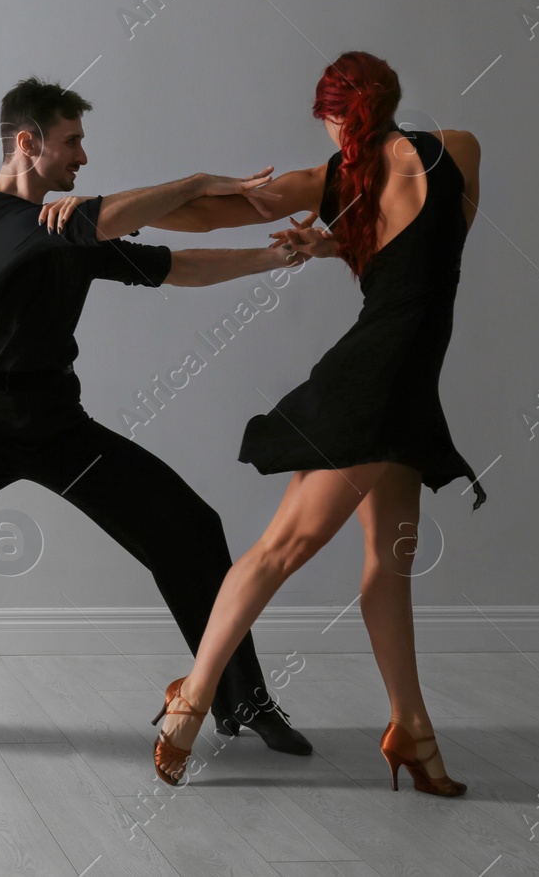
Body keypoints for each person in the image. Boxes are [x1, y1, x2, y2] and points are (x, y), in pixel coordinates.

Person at [0, 76, 316, 756]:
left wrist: (271, 256)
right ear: (29, 141)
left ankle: (241, 699)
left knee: (191, 528)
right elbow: (97, 217)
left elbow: (172, 265)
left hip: (57, 421)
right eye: (72, 141)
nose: (83, 156)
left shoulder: (67, 229)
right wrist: (198, 179)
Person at [124, 50, 485, 795]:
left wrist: (164, 197)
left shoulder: (330, 183)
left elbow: (201, 214)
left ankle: (406, 730)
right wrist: (335, 241)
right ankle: (195, 700)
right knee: (341, 559)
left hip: (382, 392)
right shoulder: (460, 150)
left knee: (341, 559)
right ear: (388, 100)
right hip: (401, 386)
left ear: (333, 115)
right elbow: (429, 259)